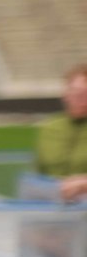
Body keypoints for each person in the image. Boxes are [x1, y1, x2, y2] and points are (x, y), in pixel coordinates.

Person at [34, 63, 87, 201]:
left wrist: (84, 183)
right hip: (51, 207)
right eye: (75, 92)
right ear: (65, 94)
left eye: (85, 94)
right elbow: (39, 172)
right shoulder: (50, 128)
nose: (80, 99)